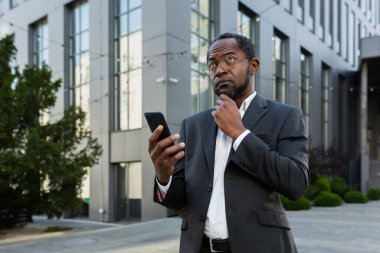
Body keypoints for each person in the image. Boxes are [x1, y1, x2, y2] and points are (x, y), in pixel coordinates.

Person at [148, 33, 308, 253]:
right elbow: (179, 201)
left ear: (253, 66)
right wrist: (163, 176)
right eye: (212, 64)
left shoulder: (284, 116)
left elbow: (297, 183)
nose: (219, 69)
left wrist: (240, 133)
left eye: (230, 59)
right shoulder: (192, 125)